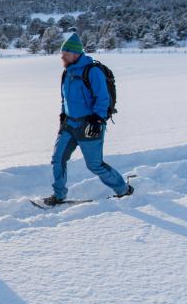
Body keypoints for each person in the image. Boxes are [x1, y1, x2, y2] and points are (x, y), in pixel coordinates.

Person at [45, 33, 133, 206]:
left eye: (66, 53)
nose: (62, 56)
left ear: (76, 53)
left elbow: (102, 98)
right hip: (69, 124)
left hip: (89, 125)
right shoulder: (66, 73)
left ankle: (123, 190)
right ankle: (59, 195)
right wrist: (63, 115)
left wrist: (97, 120)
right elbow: (65, 98)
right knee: (58, 159)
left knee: (95, 165)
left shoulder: (92, 71)